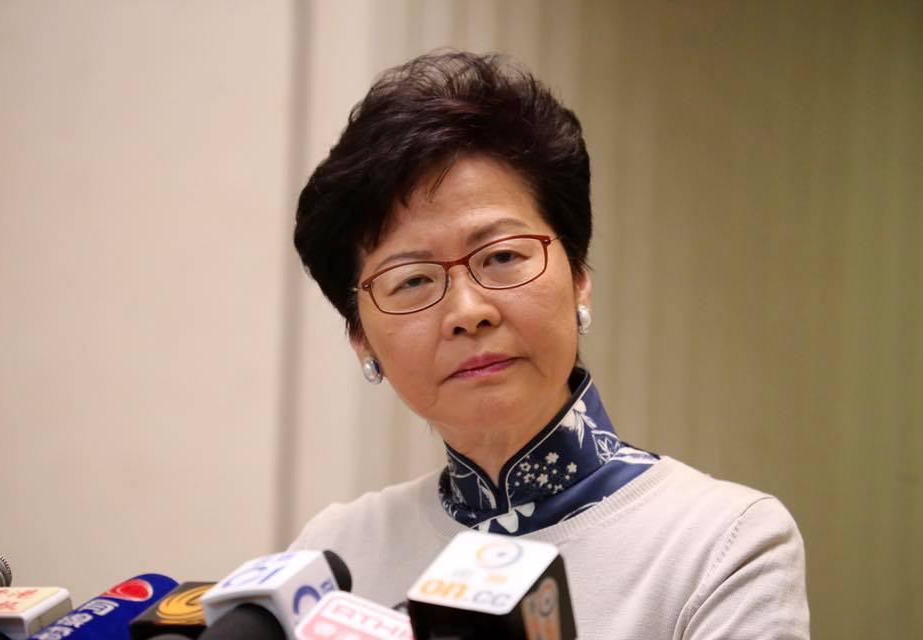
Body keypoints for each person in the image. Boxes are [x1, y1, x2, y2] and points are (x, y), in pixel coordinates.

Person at [290, 51, 809, 639]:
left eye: (502, 256)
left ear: (579, 274)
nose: (468, 312)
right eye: (411, 281)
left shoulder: (721, 543)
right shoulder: (336, 553)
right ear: (361, 338)